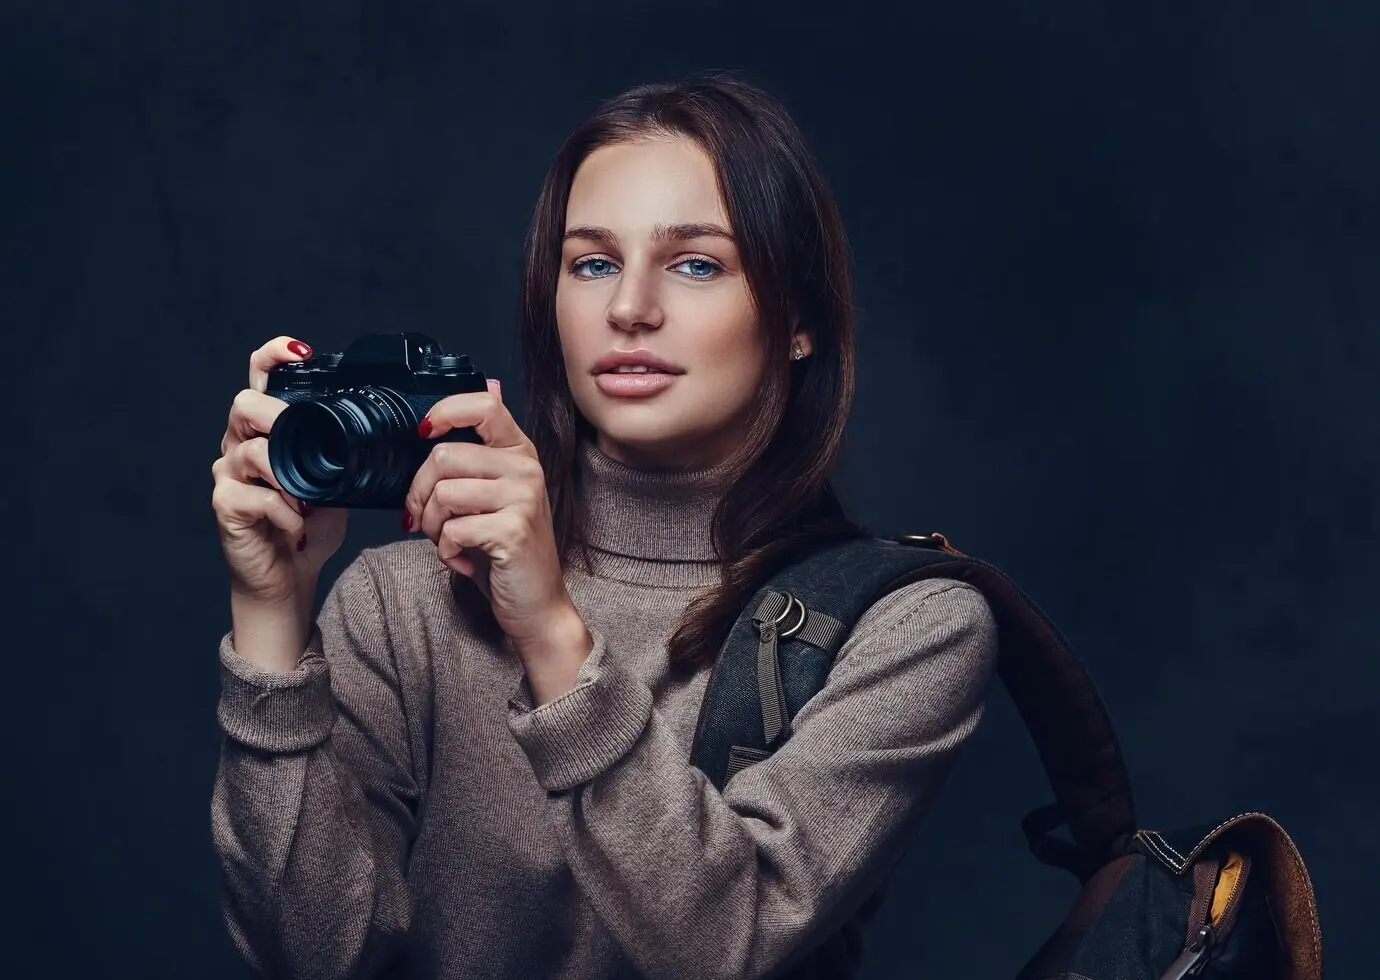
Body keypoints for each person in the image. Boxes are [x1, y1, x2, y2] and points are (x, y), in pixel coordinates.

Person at [209, 71, 998, 979]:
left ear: (800, 322)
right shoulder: (404, 597)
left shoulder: (906, 628)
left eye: (697, 263)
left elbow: (723, 946)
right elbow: (314, 957)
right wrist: (270, 623)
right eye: (592, 263)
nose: (629, 308)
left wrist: (551, 632)